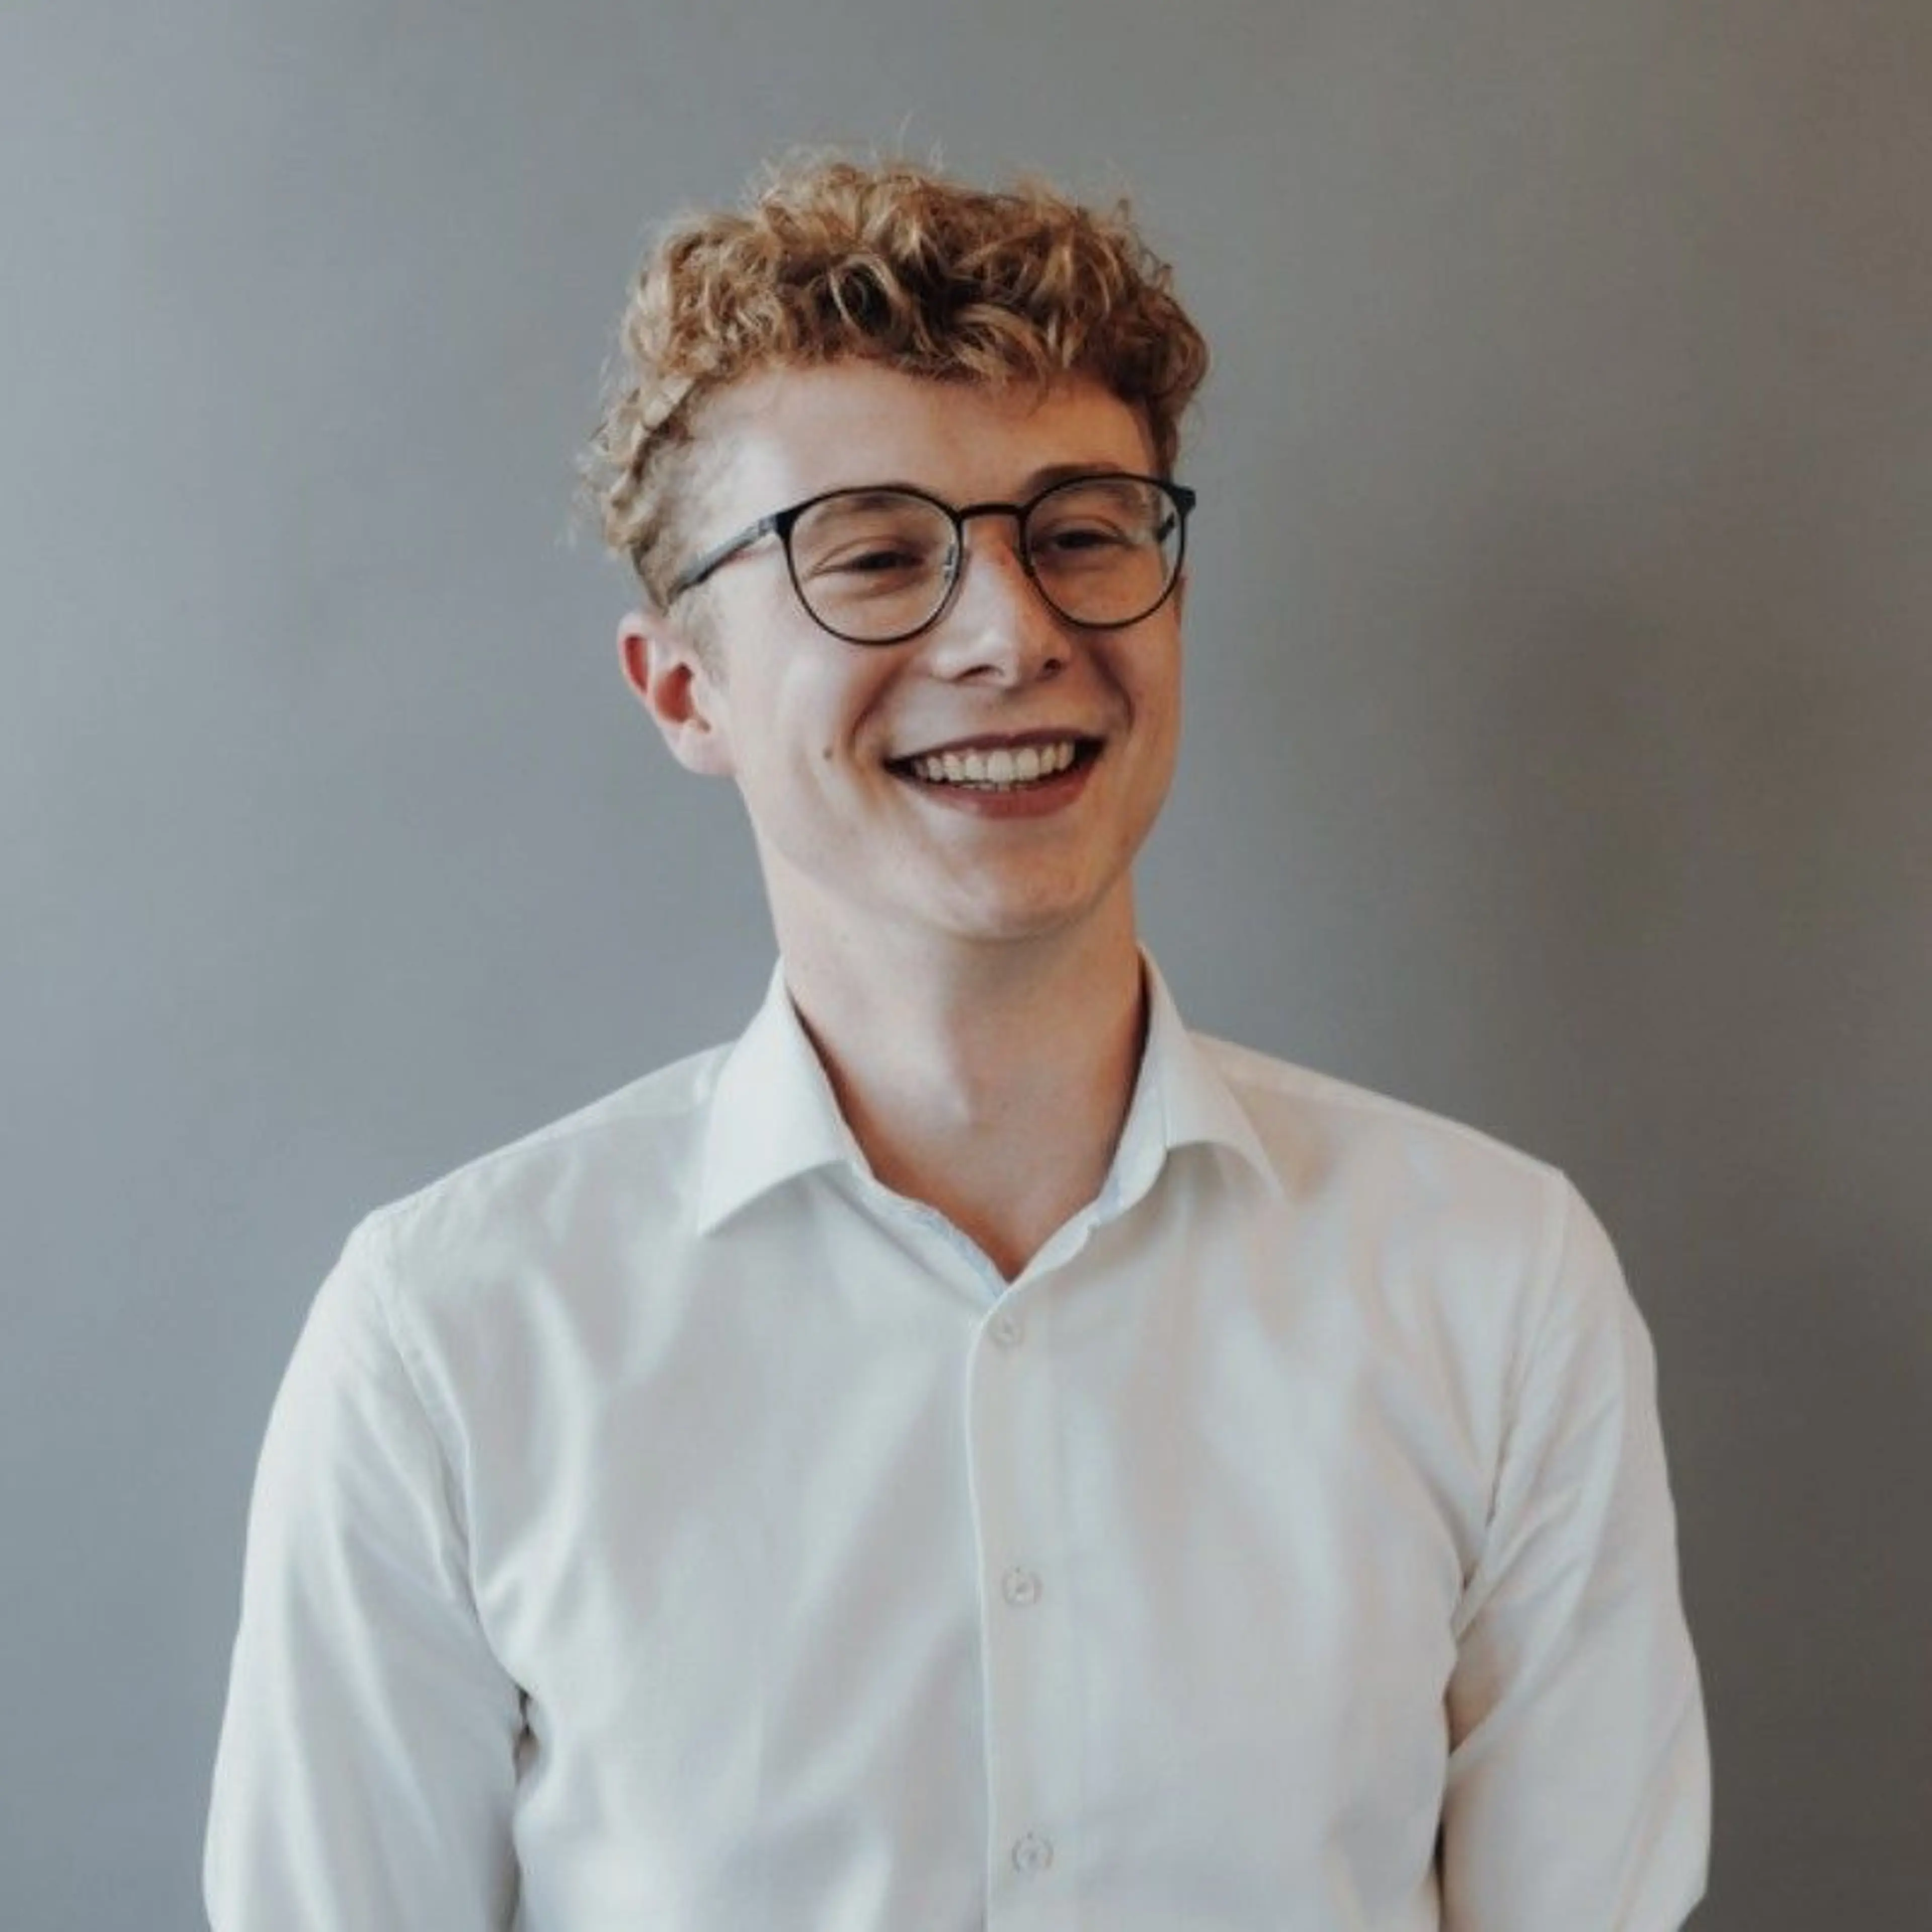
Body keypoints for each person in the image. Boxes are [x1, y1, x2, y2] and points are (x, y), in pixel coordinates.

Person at [205, 156, 1710, 1929]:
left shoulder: (1498, 1284)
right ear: (683, 689)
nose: (1012, 636)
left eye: (1081, 533)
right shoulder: (450, 1343)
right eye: (872, 557)